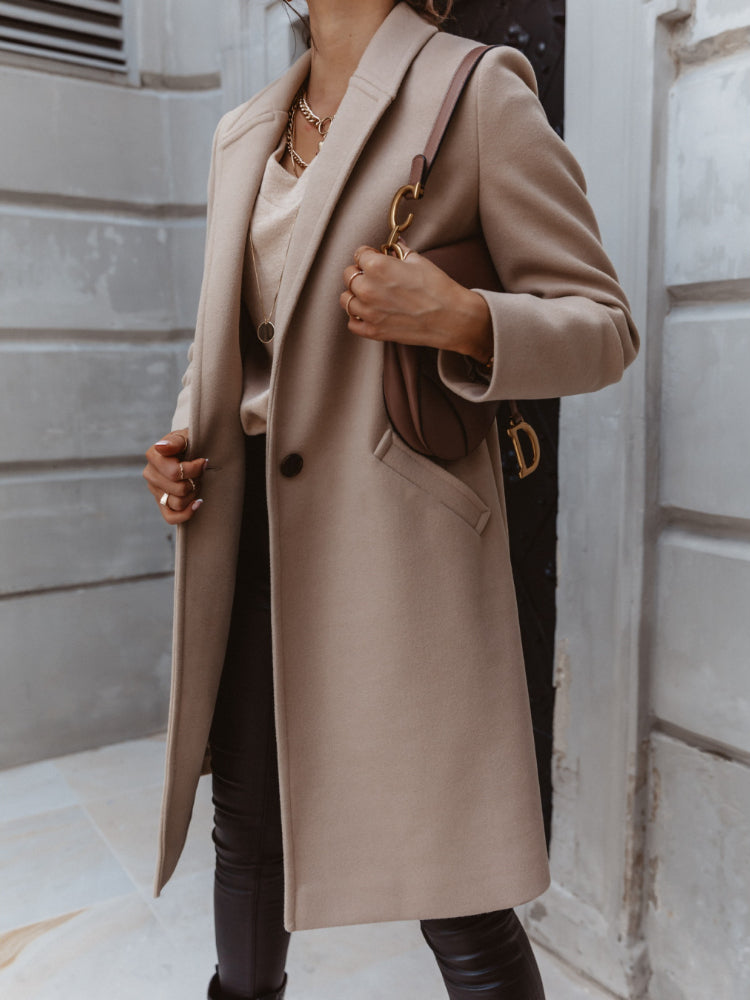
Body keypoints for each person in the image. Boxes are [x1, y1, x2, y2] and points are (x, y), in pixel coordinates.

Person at [142, 2, 639, 998]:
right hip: (248, 544)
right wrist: (180, 441)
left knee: (454, 881)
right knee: (246, 832)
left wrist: (466, 318)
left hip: (394, 548)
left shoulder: (475, 89)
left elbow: (605, 325)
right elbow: (228, 332)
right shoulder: (243, 129)